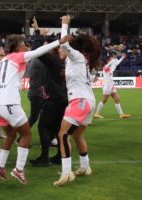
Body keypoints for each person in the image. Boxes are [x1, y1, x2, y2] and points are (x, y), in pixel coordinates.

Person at [0, 33, 72, 184]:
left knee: (10, 135)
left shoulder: (3, 61)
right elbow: (38, 52)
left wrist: (0, 94)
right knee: (26, 134)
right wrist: (59, 41)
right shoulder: (18, 56)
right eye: (24, 44)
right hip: (9, 103)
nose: (26, 46)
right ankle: (19, 170)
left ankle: (0, 167)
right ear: (18, 47)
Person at [53, 16, 100, 187]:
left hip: (79, 100)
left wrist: (65, 24)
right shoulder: (83, 61)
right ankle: (85, 167)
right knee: (77, 134)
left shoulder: (77, 56)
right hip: (88, 101)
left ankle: (66, 174)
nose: (63, 50)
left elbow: (63, 44)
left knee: (63, 135)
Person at [29, 35, 68, 167]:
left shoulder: (52, 59)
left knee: (43, 127)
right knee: (57, 129)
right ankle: (59, 156)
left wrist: (39, 33)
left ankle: (44, 158)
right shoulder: (56, 59)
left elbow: (35, 50)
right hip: (60, 98)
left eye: (47, 45)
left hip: (53, 99)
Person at [94, 53, 130, 119]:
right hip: (107, 86)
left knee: (117, 99)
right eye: (110, 59)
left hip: (111, 86)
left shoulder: (111, 67)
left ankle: (121, 114)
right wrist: (114, 59)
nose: (112, 60)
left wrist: (122, 58)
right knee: (104, 100)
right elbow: (112, 62)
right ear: (108, 61)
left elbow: (116, 63)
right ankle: (96, 113)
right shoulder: (105, 67)